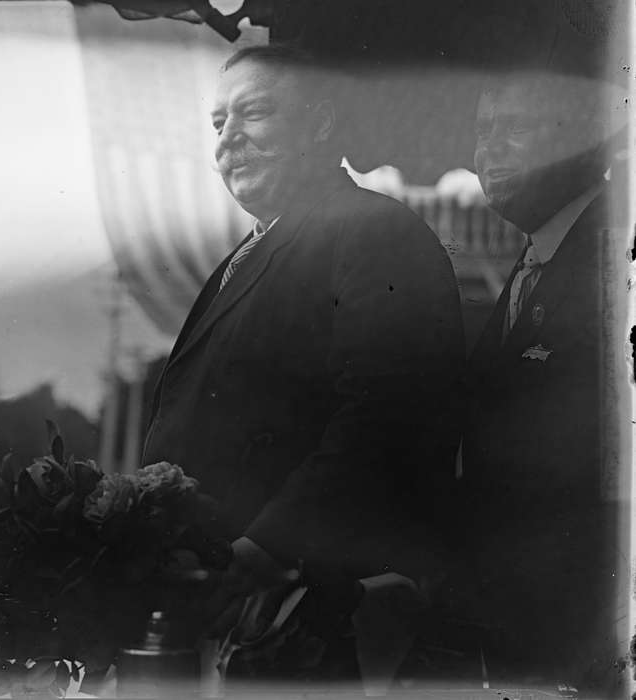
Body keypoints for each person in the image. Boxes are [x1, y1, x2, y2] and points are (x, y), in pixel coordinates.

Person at [141, 44, 465, 681]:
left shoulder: (375, 232)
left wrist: (261, 551)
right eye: (217, 123)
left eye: (253, 114)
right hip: (221, 610)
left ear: (320, 125)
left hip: (303, 622)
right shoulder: (246, 254)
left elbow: (383, 420)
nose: (228, 139)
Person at [454, 70, 627, 691]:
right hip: (517, 626)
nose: (488, 151)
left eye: (515, 129)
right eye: (484, 131)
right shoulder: (536, 257)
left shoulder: (619, 254)